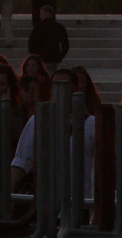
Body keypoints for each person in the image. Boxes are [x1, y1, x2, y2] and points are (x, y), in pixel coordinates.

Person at [11, 68, 95, 200]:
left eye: (65, 86)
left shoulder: (91, 124)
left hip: (78, 200)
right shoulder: (36, 121)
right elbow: (21, 161)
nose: (60, 91)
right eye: (56, 85)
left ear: (75, 90)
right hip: (45, 199)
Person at [28, 6, 69, 75]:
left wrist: (35, 55)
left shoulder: (38, 27)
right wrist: (59, 57)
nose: (40, 16)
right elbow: (65, 45)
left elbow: (31, 43)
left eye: (41, 14)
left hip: (40, 58)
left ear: (45, 13)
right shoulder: (59, 27)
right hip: (53, 58)